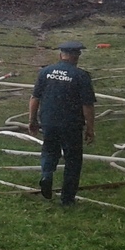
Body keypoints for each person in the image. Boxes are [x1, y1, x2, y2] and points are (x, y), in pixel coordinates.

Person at [27, 40, 96, 206]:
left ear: (61, 55)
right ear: (76, 56)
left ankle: (46, 175)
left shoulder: (45, 72)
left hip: (49, 122)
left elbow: (34, 97)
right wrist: (90, 128)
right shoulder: (81, 76)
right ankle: (67, 199)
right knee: (73, 160)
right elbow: (87, 105)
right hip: (71, 124)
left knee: (50, 151)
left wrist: (32, 120)